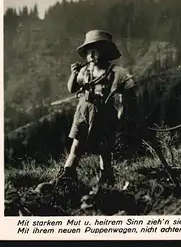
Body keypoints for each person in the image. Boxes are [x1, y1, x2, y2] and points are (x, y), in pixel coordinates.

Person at [48, 30, 137, 187]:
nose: (92, 55)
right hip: (84, 110)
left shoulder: (117, 72)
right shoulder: (84, 71)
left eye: (96, 51)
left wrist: (122, 110)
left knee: (105, 148)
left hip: (105, 112)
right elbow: (72, 88)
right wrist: (73, 74)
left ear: (106, 52)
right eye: (89, 51)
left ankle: (106, 177)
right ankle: (67, 175)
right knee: (77, 144)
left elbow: (129, 92)